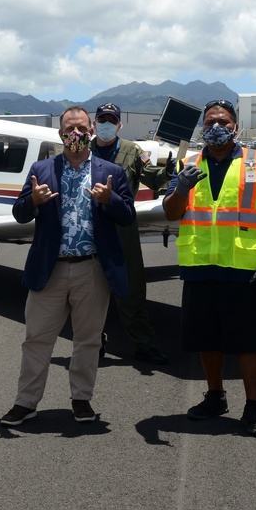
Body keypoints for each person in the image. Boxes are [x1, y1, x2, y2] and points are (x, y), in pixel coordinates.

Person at [0, 106, 135, 427]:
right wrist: (32, 201)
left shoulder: (110, 171)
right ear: (60, 134)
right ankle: (26, 402)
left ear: (91, 130)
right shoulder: (41, 169)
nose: (75, 134)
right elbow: (19, 214)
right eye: (69, 129)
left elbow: (128, 216)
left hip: (92, 268)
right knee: (37, 339)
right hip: (51, 268)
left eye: (81, 128)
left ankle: (82, 399)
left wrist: (110, 200)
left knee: (88, 339)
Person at [163, 99, 256, 438]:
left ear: (236, 126)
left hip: (243, 269)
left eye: (224, 121)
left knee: (248, 342)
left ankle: (253, 407)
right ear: (202, 128)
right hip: (200, 266)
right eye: (211, 121)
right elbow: (172, 213)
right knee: (207, 339)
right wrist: (181, 187)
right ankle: (215, 397)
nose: (217, 126)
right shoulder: (187, 163)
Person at [90, 102, 171, 364]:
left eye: (111, 121)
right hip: (89, 228)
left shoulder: (132, 151)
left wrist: (169, 171)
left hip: (122, 227)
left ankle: (144, 344)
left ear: (119, 125)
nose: (106, 125)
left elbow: (154, 179)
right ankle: (93, 343)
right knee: (89, 290)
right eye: (102, 119)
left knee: (131, 288)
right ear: (94, 123)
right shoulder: (82, 150)